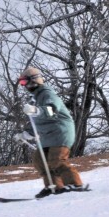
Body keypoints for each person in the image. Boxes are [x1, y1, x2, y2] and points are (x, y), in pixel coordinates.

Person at [14, 67, 86, 198]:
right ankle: (54, 187)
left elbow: (51, 110)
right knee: (39, 160)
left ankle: (75, 184)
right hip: (47, 135)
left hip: (60, 132)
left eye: (24, 82)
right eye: (21, 83)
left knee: (56, 160)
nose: (23, 86)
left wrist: (36, 110)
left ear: (33, 81)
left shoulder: (47, 93)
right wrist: (25, 134)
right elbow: (37, 121)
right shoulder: (35, 98)